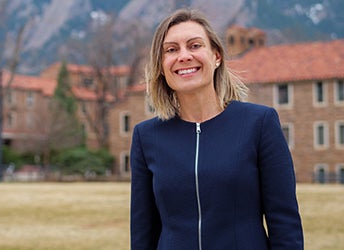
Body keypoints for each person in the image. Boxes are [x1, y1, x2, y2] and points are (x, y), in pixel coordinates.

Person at [130, 8, 303, 250]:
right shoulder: (146, 137)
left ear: (217, 56)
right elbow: (142, 234)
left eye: (195, 45)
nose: (183, 56)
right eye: (171, 50)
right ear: (161, 65)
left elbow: (285, 226)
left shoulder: (259, 123)